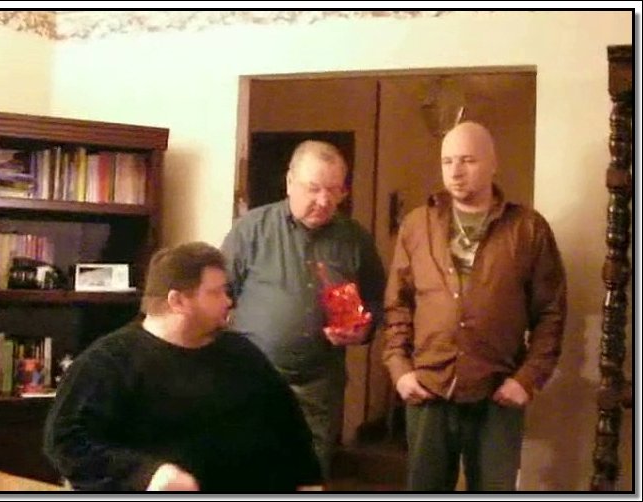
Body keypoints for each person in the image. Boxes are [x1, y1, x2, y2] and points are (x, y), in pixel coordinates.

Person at [43, 242, 322, 492]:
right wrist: (146, 475)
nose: (228, 301)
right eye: (216, 293)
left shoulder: (242, 353)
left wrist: (308, 481)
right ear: (177, 301)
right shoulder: (108, 362)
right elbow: (66, 441)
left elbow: (290, 426)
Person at [383, 121, 567, 491]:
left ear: (492, 164)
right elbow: (398, 305)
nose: (455, 171)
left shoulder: (527, 229)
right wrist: (399, 368)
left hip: (497, 392)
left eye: (467, 160)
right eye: (447, 161)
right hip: (428, 388)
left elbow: (551, 312)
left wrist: (527, 379)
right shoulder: (417, 225)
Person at [221, 140, 386, 479]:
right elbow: (217, 296)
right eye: (314, 188)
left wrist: (363, 329)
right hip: (254, 381)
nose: (324, 201)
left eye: (334, 190)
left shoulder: (355, 239)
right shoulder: (251, 230)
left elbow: (377, 302)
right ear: (289, 182)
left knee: (310, 476)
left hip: (319, 387)